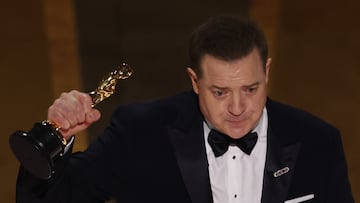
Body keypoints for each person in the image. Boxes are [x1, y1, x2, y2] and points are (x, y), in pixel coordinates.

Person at [16, 16, 354, 203]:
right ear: (194, 81)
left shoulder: (318, 142)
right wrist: (53, 138)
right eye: (220, 92)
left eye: (250, 89)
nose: (238, 108)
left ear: (266, 72)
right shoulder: (142, 133)